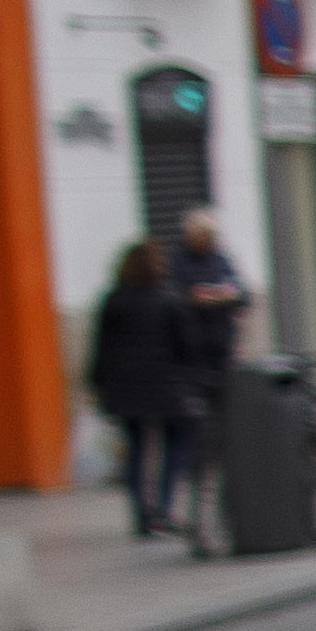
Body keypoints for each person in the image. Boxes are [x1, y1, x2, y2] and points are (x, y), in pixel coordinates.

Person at [164, 207, 256, 533]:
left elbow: (244, 294)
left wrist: (230, 296)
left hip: (222, 349)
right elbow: (173, 301)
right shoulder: (178, 263)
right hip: (192, 356)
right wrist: (195, 298)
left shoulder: (221, 260)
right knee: (193, 426)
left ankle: (224, 479)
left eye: (212, 235)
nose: (209, 240)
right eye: (204, 236)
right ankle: (192, 478)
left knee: (226, 418)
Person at [91, 238, 185, 535]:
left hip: (127, 388)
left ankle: (141, 515)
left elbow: (102, 347)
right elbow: (185, 345)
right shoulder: (168, 298)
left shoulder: (114, 300)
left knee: (136, 450)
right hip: (164, 386)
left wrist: (97, 383)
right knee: (173, 444)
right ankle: (164, 508)